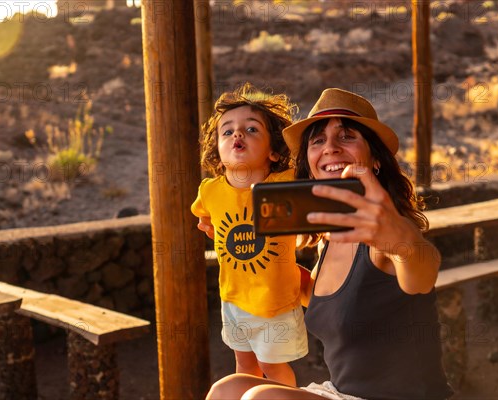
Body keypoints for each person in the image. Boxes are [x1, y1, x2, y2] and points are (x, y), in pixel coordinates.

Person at [205, 88, 454, 400]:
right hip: (343, 394)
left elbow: (422, 273)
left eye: (346, 136)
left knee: (261, 399)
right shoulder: (329, 239)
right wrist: (243, 255)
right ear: (309, 164)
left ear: (375, 159)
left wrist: (400, 237)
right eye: (318, 140)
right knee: (227, 389)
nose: (330, 148)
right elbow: (334, 299)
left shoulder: (384, 234)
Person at [191, 83, 308, 386]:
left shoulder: (285, 182)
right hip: (233, 298)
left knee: (272, 367)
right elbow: (203, 214)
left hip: (276, 300)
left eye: (252, 129)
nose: (237, 134)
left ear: (272, 151)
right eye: (227, 132)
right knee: (243, 364)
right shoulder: (210, 190)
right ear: (217, 148)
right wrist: (209, 226)